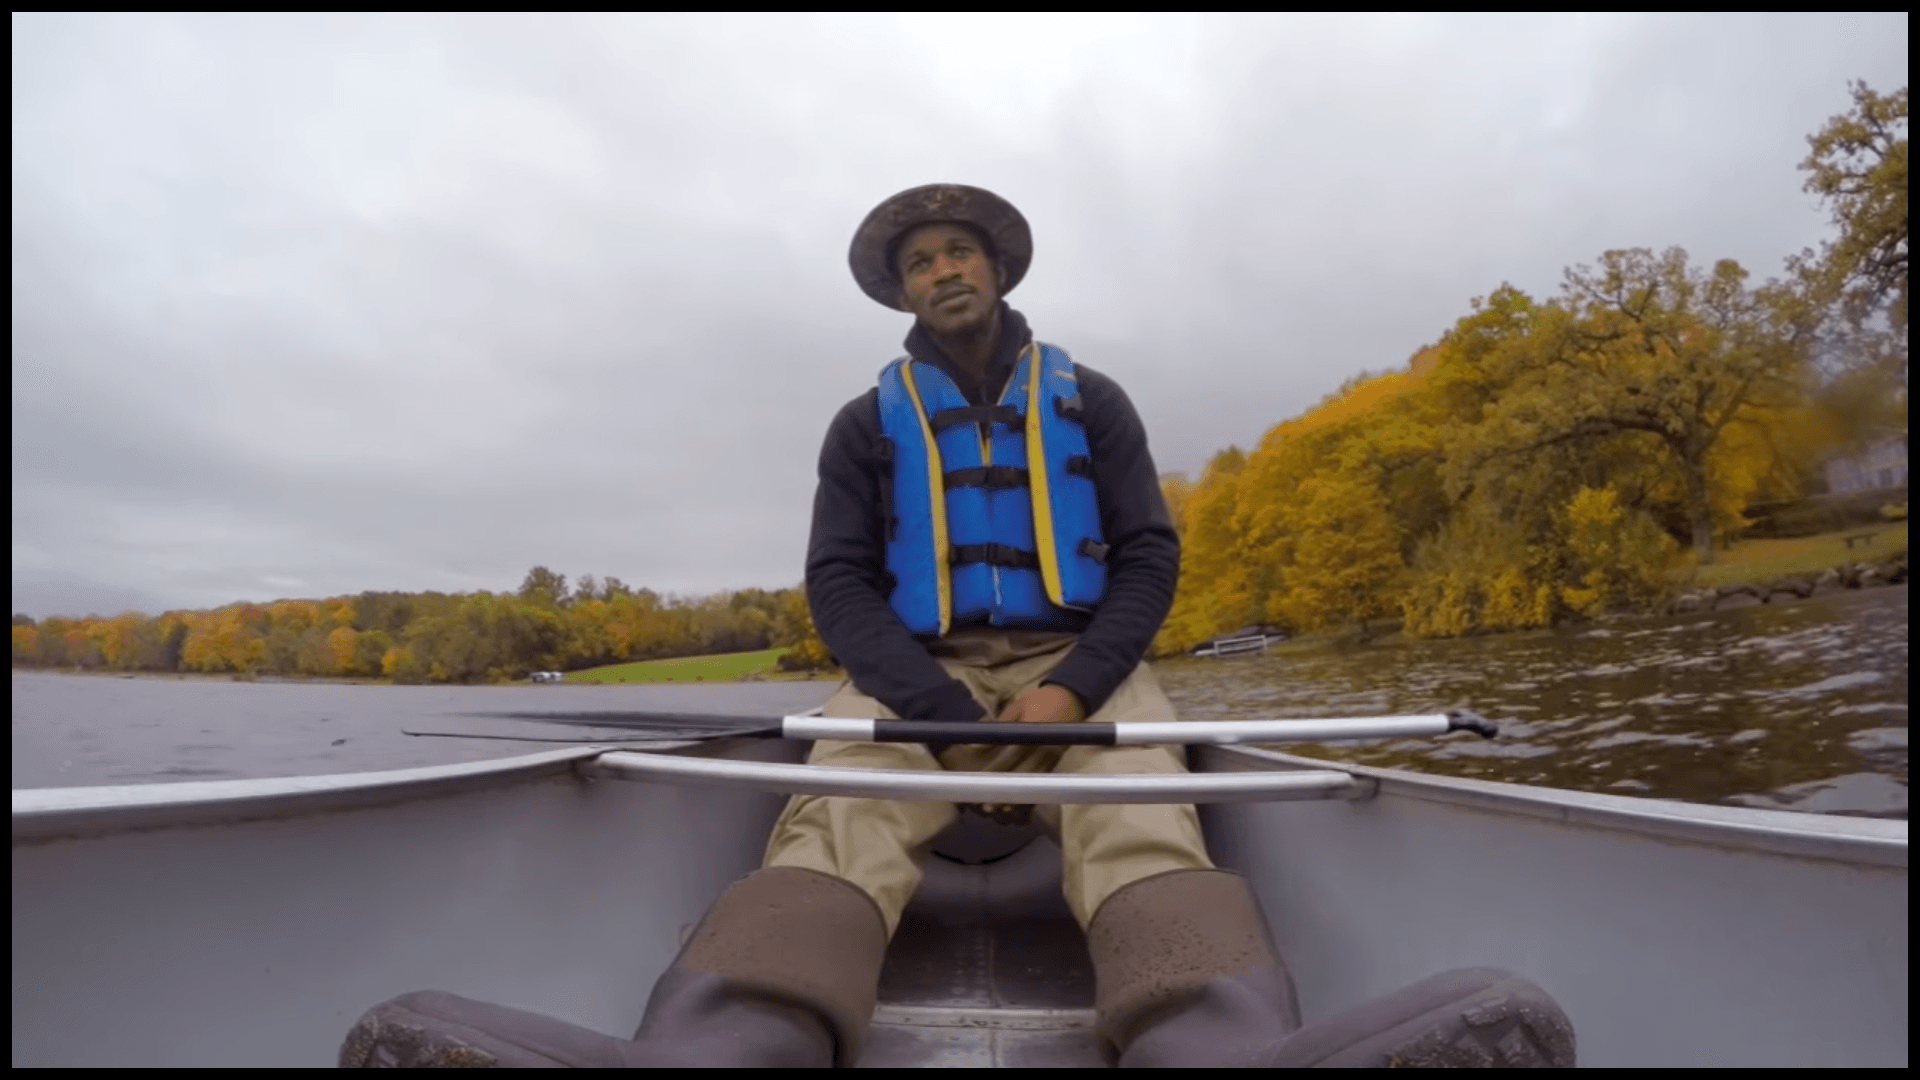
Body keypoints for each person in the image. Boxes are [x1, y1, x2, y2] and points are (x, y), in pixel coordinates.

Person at [340, 184, 1575, 1068]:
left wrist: (1074, 691)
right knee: (839, 813)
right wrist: (927, 709)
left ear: (997, 270)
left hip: (1079, 666)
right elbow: (838, 585)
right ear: (901, 291)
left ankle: (1220, 1044)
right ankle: (717, 1045)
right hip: (910, 672)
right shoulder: (861, 427)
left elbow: (1149, 558)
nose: (942, 270)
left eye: (959, 251)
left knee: (1141, 807)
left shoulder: (1094, 401)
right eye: (920, 260)